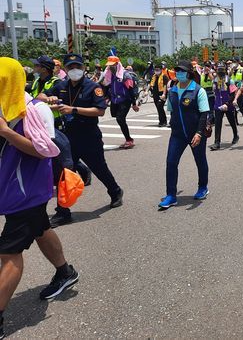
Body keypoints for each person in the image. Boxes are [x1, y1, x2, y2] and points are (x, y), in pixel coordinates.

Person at [0, 58, 79, 340]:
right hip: (10, 190)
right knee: (41, 230)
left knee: (9, 253)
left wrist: (6, 132)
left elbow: (45, 150)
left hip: (27, 192)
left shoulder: (35, 110)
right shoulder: (4, 108)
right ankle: (65, 271)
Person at [38, 54, 124, 227]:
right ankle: (63, 212)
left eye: (77, 66)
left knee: (100, 168)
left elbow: (100, 111)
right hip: (68, 138)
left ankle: (115, 191)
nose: (74, 70)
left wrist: (74, 109)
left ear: (83, 68)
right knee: (64, 173)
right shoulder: (61, 85)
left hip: (89, 136)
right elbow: (39, 96)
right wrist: (48, 99)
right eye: (70, 67)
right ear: (66, 69)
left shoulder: (93, 87)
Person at [158, 60, 210, 209]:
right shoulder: (173, 90)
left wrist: (199, 133)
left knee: (200, 160)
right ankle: (171, 195)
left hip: (196, 134)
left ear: (189, 73)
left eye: (182, 71)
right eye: (177, 71)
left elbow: (204, 113)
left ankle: (203, 187)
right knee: (171, 162)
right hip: (178, 135)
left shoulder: (198, 90)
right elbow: (172, 110)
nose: (179, 73)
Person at [101, 56, 139, 149]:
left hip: (125, 100)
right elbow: (108, 88)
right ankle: (128, 138)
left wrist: (134, 104)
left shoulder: (125, 75)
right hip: (115, 100)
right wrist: (107, 98)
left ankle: (129, 140)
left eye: (113, 65)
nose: (111, 67)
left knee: (120, 118)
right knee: (115, 115)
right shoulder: (110, 75)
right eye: (109, 66)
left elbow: (130, 90)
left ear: (117, 65)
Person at [210, 62, 239, 151]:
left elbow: (232, 94)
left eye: (222, 69)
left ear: (225, 69)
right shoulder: (215, 80)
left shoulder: (229, 80)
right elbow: (215, 92)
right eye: (219, 69)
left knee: (232, 121)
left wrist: (227, 103)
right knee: (218, 123)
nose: (220, 71)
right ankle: (217, 142)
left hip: (228, 105)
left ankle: (235, 135)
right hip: (218, 105)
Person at [149, 63, 169, 127]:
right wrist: (146, 91)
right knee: (158, 108)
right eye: (155, 70)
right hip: (155, 94)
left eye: (158, 69)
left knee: (160, 106)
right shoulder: (154, 76)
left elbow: (165, 85)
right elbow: (150, 84)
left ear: (161, 70)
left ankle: (163, 121)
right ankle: (161, 121)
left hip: (162, 94)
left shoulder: (164, 76)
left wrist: (164, 94)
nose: (156, 71)